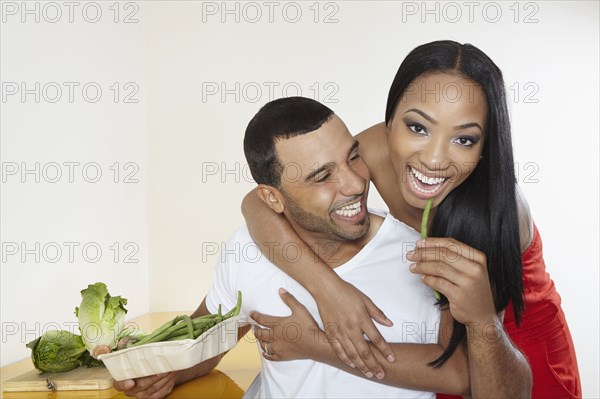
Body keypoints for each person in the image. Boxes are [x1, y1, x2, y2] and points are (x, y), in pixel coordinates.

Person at [242, 41, 581, 398]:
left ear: (485, 147)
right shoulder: (369, 151)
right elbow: (259, 202)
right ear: (391, 119)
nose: (434, 160)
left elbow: (468, 373)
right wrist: (329, 290)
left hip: (513, 346)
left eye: (464, 139)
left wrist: (318, 345)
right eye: (418, 127)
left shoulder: (498, 213)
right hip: (435, 349)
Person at [114, 96, 472, 399]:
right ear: (272, 198)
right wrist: (159, 369)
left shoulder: (418, 255)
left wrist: (315, 343)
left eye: (353, 157)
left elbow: (457, 371)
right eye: (322, 176)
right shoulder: (247, 249)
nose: (356, 183)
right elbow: (207, 343)